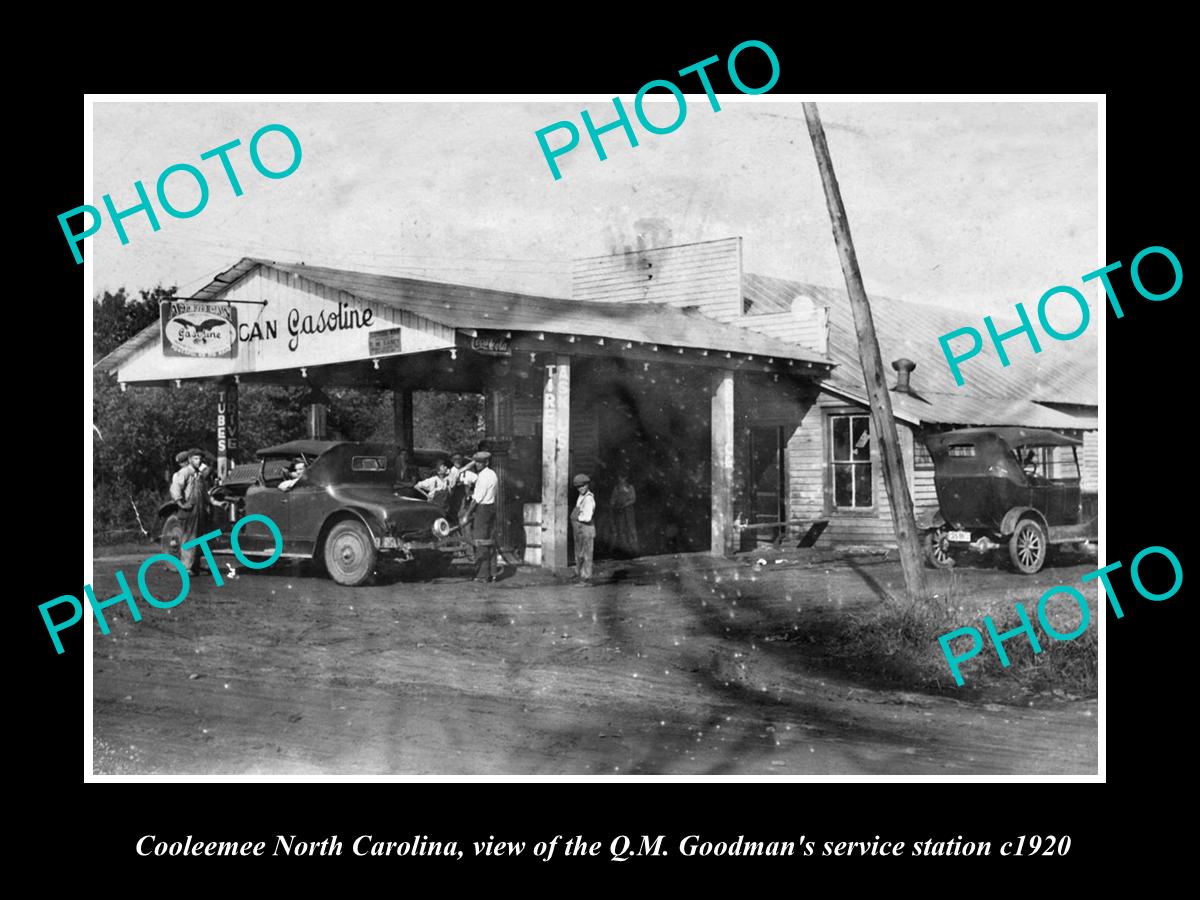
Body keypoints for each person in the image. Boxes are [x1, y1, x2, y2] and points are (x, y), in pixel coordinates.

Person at [169, 447, 210, 573]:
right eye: (196, 459)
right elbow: (175, 488)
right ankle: (186, 567)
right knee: (189, 538)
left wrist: (208, 504)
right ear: (190, 459)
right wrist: (181, 504)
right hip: (189, 510)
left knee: (199, 538)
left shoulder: (198, 475)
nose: (199, 461)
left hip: (200, 510)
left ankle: (195, 565)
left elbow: (203, 493)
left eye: (200, 459)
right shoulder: (185, 472)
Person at [462, 451, 499, 583]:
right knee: (490, 541)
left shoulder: (483, 477)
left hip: (482, 509)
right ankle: (493, 573)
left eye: (480, 462)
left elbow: (476, 499)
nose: (477, 464)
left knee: (480, 542)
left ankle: (482, 575)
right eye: (476, 462)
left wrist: (466, 515)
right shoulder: (492, 474)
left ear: (486, 462)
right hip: (492, 507)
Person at [570, 473, 596, 586]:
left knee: (587, 554)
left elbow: (587, 517)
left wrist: (578, 517)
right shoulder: (581, 496)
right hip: (580, 529)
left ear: (587, 485)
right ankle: (581, 576)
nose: (581, 488)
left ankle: (586, 579)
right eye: (578, 487)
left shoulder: (589, 499)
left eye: (583, 486)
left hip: (586, 528)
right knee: (580, 553)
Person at [609, 471, 639, 558]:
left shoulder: (630, 487)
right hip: (619, 511)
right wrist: (614, 504)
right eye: (619, 478)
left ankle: (634, 549)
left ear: (625, 478)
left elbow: (633, 499)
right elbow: (613, 499)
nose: (620, 480)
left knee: (631, 528)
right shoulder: (617, 488)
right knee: (621, 529)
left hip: (628, 510)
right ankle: (624, 549)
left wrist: (625, 504)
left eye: (622, 478)